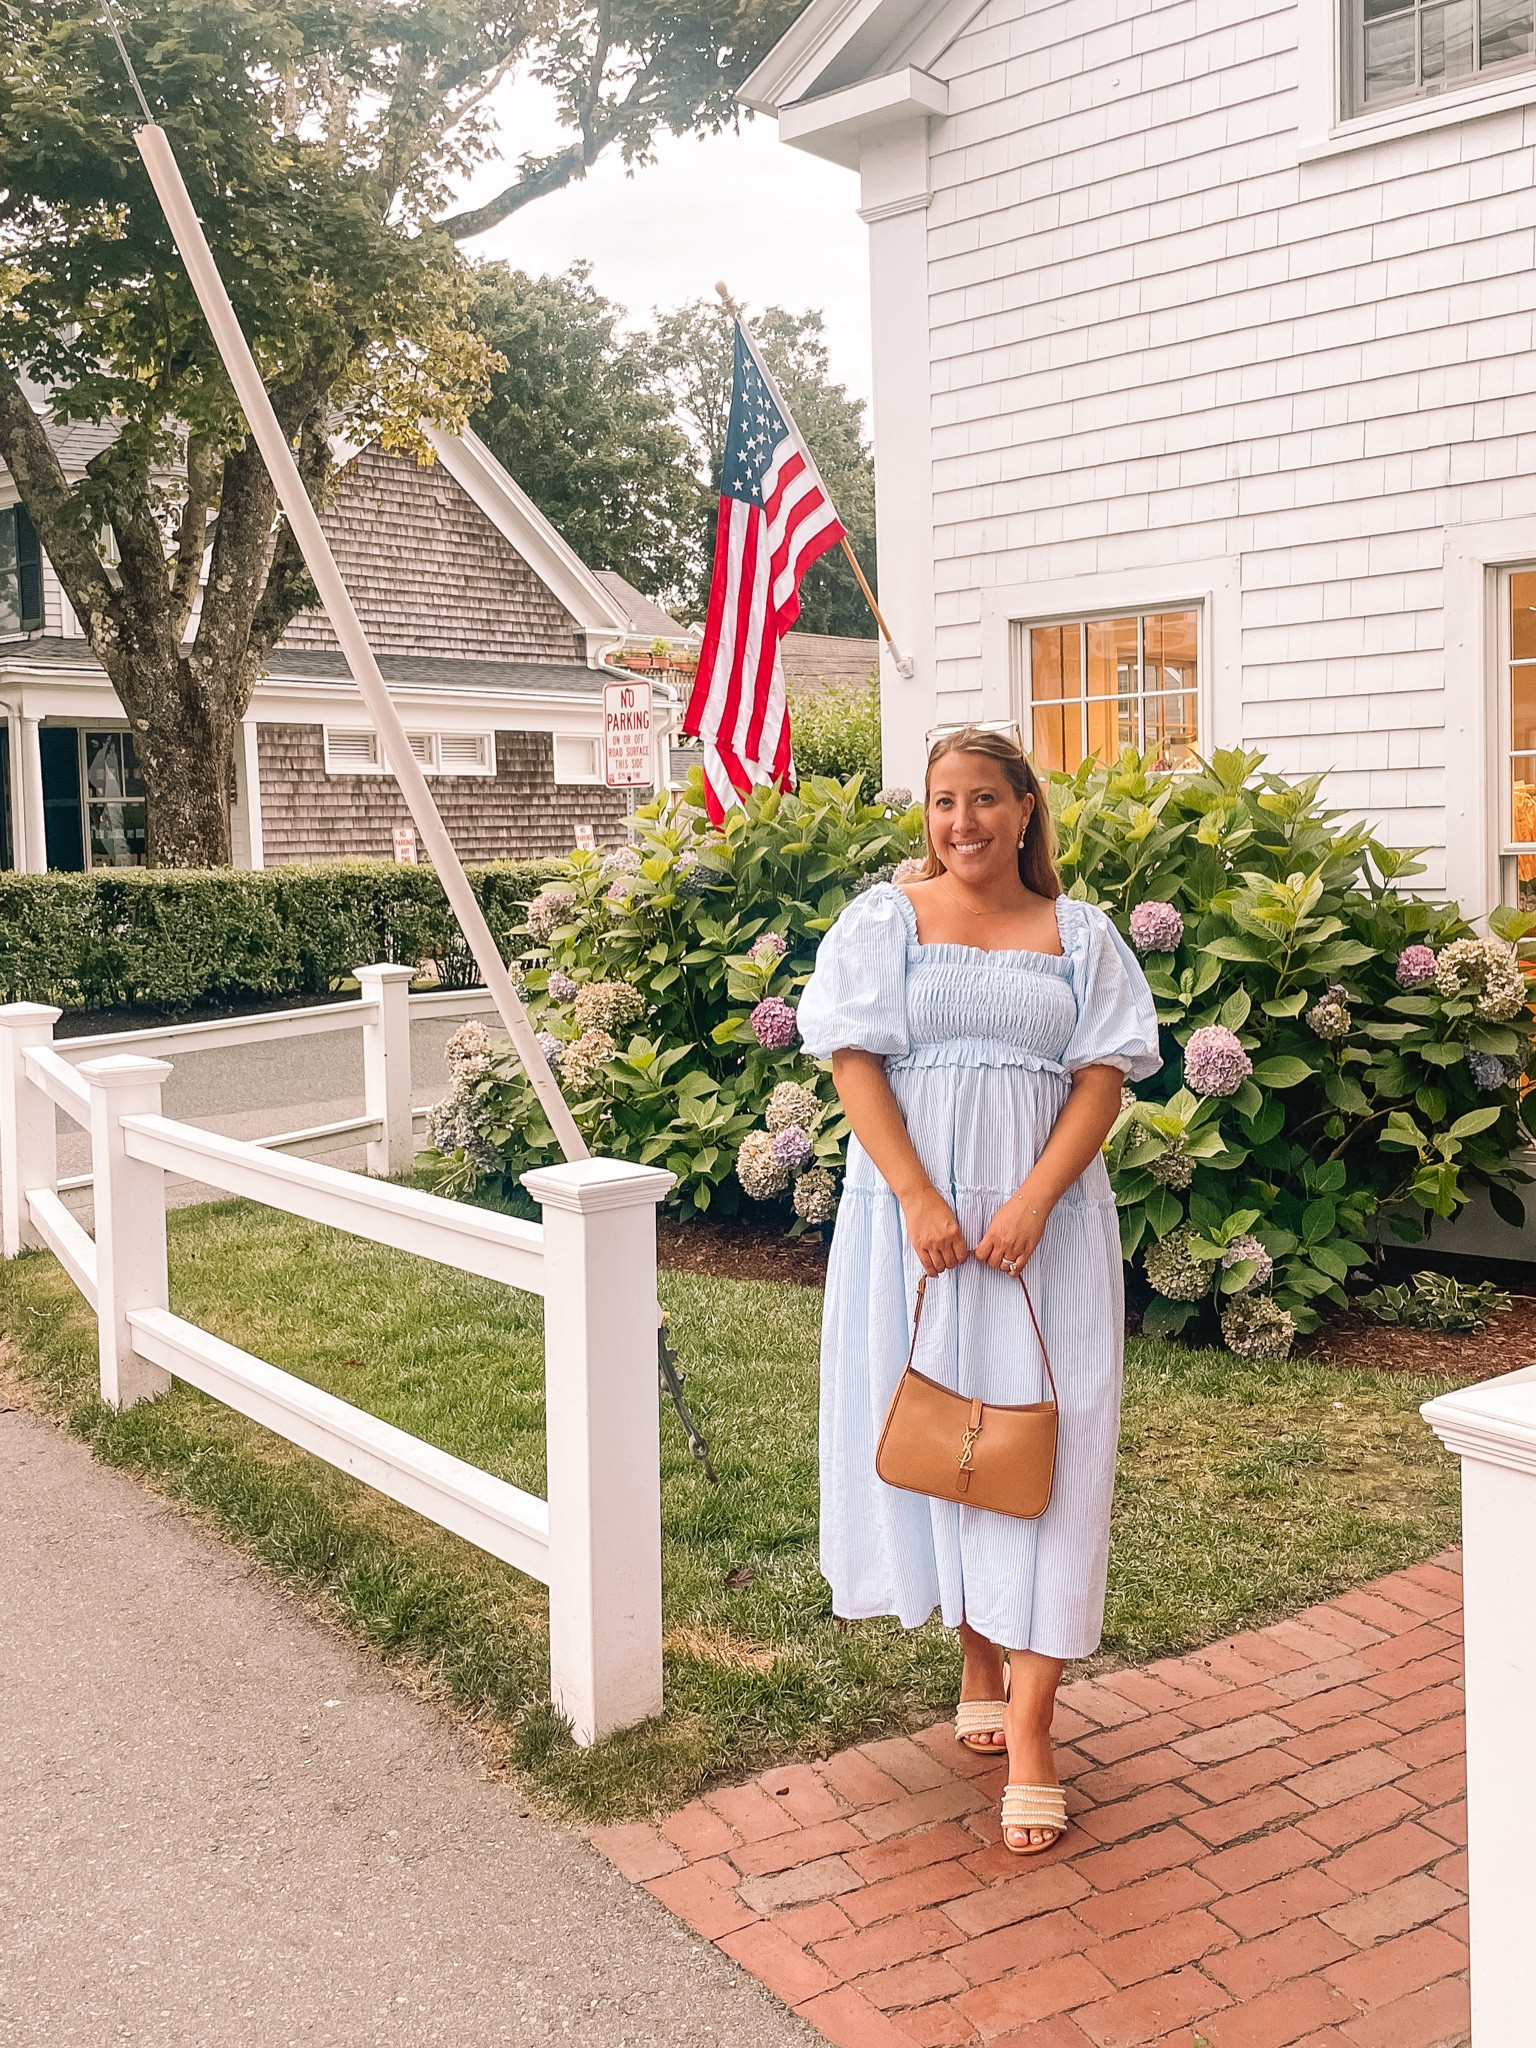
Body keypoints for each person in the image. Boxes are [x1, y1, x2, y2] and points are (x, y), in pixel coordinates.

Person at [798, 725, 1161, 1854]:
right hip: (914, 1227)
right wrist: (916, 1195)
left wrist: (1034, 1200)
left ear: (1026, 806)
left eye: (986, 800)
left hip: (1044, 1231)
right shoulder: (885, 920)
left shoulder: (1082, 934)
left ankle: (1039, 1727)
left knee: (1052, 1451)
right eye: (944, 801)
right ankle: (974, 1652)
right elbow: (854, 1059)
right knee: (944, 1434)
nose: (964, 823)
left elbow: (1103, 1078)